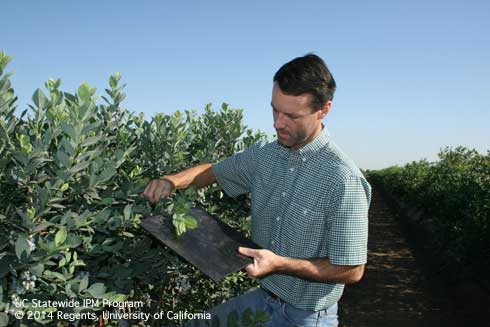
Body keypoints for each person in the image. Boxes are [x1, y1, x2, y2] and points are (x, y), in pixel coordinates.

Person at [143, 54, 371, 327]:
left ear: (324, 109)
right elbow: (212, 171)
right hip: (264, 299)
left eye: (291, 115)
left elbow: (352, 269)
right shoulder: (266, 155)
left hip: (305, 317)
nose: (277, 123)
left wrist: (280, 263)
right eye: (275, 109)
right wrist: (171, 181)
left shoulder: (342, 179)